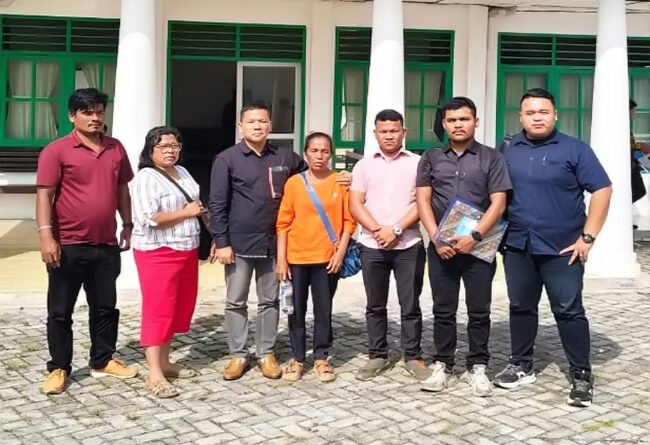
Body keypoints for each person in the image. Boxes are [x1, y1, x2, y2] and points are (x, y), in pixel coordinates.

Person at [209, 103, 351, 381]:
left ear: (270, 126)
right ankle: (238, 354)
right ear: (241, 126)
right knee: (236, 301)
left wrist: (345, 177)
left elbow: (315, 175)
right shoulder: (227, 159)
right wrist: (221, 241)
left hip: (274, 244)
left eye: (262, 121)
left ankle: (266, 353)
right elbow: (217, 203)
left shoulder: (286, 156)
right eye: (251, 121)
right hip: (239, 244)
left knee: (270, 301)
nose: (257, 126)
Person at [493, 88, 612, 408]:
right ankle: (521, 365)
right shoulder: (507, 149)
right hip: (518, 244)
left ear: (555, 115)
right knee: (520, 306)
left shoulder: (575, 149)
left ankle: (581, 374)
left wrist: (588, 237)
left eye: (543, 112)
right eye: (530, 112)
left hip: (564, 248)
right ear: (520, 116)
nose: (537, 118)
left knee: (568, 310)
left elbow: (602, 190)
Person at [36, 88, 138, 395]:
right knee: (60, 310)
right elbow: (44, 194)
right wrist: (46, 236)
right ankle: (59, 367)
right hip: (67, 244)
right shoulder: (56, 150)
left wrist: (127, 224)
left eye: (99, 112)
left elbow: (122, 189)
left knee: (105, 306)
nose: (95, 118)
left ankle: (103, 359)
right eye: (87, 112)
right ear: (72, 116)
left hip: (105, 243)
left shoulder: (115, 148)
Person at [415, 97, 512, 396]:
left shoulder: (491, 158)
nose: (458, 124)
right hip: (441, 247)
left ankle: (477, 366)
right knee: (443, 309)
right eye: (452, 120)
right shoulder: (431, 157)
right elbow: (422, 199)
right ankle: (443, 364)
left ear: (475, 122)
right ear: (444, 124)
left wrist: (476, 237)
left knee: (479, 310)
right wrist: (435, 237)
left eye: (464, 119)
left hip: (478, 248)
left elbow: (499, 202)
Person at [350, 109, 428, 382]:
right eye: (384, 131)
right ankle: (378, 354)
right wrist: (377, 230)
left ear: (404, 132)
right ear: (375, 134)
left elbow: (422, 202)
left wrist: (395, 230)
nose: (389, 136)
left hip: (409, 244)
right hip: (372, 246)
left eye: (394, 131)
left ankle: (413, 355)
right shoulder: (363, 166)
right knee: (375, 304)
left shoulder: (417, 163)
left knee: (410, 304)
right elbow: (356, 203)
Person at [276, 132, 357, 383]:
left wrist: (340, 252)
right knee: (296, 310)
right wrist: (282, 259)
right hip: (297, 257)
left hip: (327, 257)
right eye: (314, 150)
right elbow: (283, 223)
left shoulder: (340, 182)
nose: (319, 156)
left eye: (324, 151)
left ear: (330, 154)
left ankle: (321, 356)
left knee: (324, 309)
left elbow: (349, 222)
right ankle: (298, 358)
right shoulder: (294, 183)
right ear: (306, 153)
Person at [131, 126, 202, 398]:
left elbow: (195, 205)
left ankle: (165, 362)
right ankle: (154, 373)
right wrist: (186, 213)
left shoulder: (182, 171)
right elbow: (149, 218)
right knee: (158, 309)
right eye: (163, 146)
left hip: (187, 248)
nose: (170, 151)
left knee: (177, 308)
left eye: (175, 146)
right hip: (158, 252)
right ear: (151, 150)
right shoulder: (145, 178)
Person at [630, 99, 649, 205]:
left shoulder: (626, 126)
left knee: (639, 191)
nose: (633, 114)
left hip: (633, 164)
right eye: (632, 111)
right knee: (638, 191)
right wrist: (640, 146)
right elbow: (622, 144)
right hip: (627, 167)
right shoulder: (617, 125)